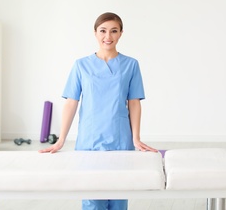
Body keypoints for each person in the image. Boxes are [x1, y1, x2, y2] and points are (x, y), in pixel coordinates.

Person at [39, 12, 157, 210]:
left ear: (121, 34)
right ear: (95, 33)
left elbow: (134, 103)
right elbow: (71, 103)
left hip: (120, 139)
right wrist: (61, 140)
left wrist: (136, 138)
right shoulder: (81, 65)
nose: (107, 36)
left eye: (113, 31)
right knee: (92, 198)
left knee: (119, 196)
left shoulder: (131, 65)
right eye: (102, 31)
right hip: (89, 139)